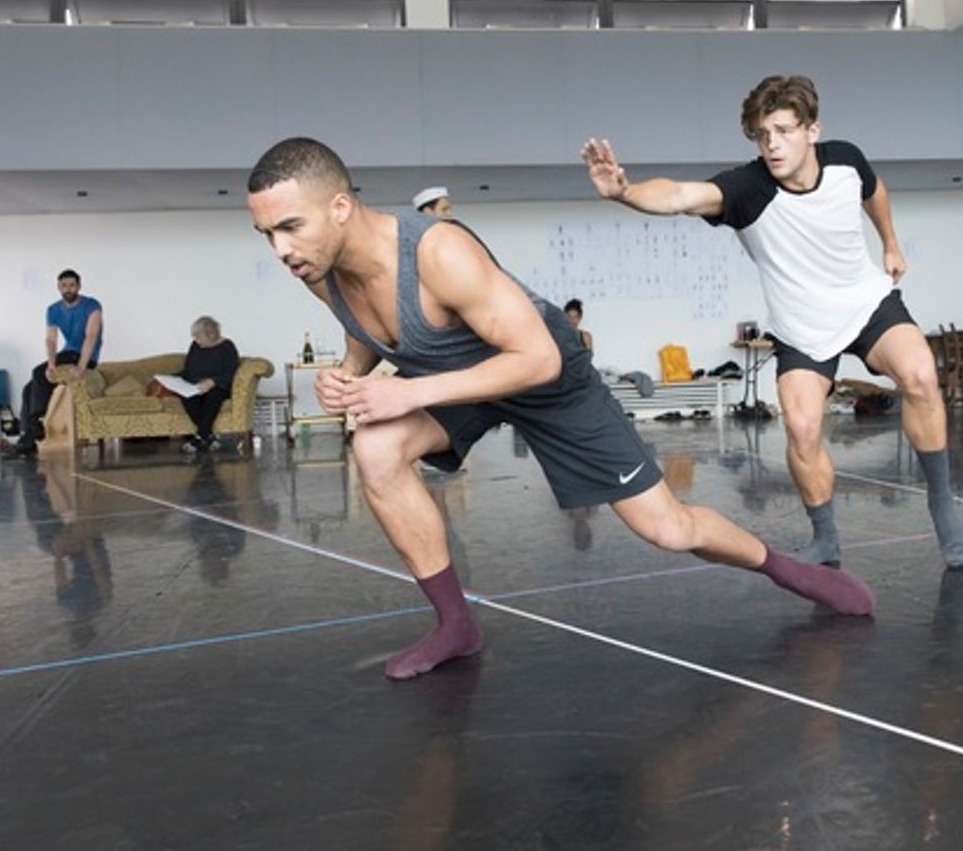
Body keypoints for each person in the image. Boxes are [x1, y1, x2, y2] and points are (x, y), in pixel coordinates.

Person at [246, 137, 876, 681]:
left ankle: (791, 571)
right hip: (457, 379)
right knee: (376, 447)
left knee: (667, 529)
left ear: (339, 206)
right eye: (266, 233)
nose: (279, 249)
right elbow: (365, 322)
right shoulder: (319, 268)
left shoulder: (437, 252)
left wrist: (404, 391)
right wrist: (351, 376)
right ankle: (455, 626)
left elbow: (538, 360)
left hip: (544, 375)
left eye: (289, 227)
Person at [582, 74, 963, 571]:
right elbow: (681, 195)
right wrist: (625, 191)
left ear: (812, 130)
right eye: (762, 134)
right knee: (804, 428)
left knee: (920, 375)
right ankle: (826, 539)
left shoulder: (846, 160)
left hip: (865, 304)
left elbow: (874, 193)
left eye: (784, 130)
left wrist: (890, 243)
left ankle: (941, 502)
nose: (772, 144)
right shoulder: (747, 188)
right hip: (802, 326)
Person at [10, 269, 103, 457]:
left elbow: (91, 336)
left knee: (37, 372)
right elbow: (51, 340)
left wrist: (81, 367)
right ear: (58, 287)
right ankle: (28, 437)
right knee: (28, 388)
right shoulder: (53, 310)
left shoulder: (92, 305)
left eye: (72, 285)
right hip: (66, 354)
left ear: (79, 286)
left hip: (85, 356)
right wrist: (51, 364)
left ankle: (37, 422)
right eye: (64, 286)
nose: (68, 289)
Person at [179, 315, 240, 453]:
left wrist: (212, 382)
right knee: (188, 397)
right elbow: (189, 369)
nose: (195, 340)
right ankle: (209, 436)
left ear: (211, 335)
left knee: (213, 397)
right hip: (198, 384)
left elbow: (231, 372)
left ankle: (199, 438)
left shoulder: (227, 347)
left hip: (220, 385)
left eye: (198, 336)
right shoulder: (195, 346)